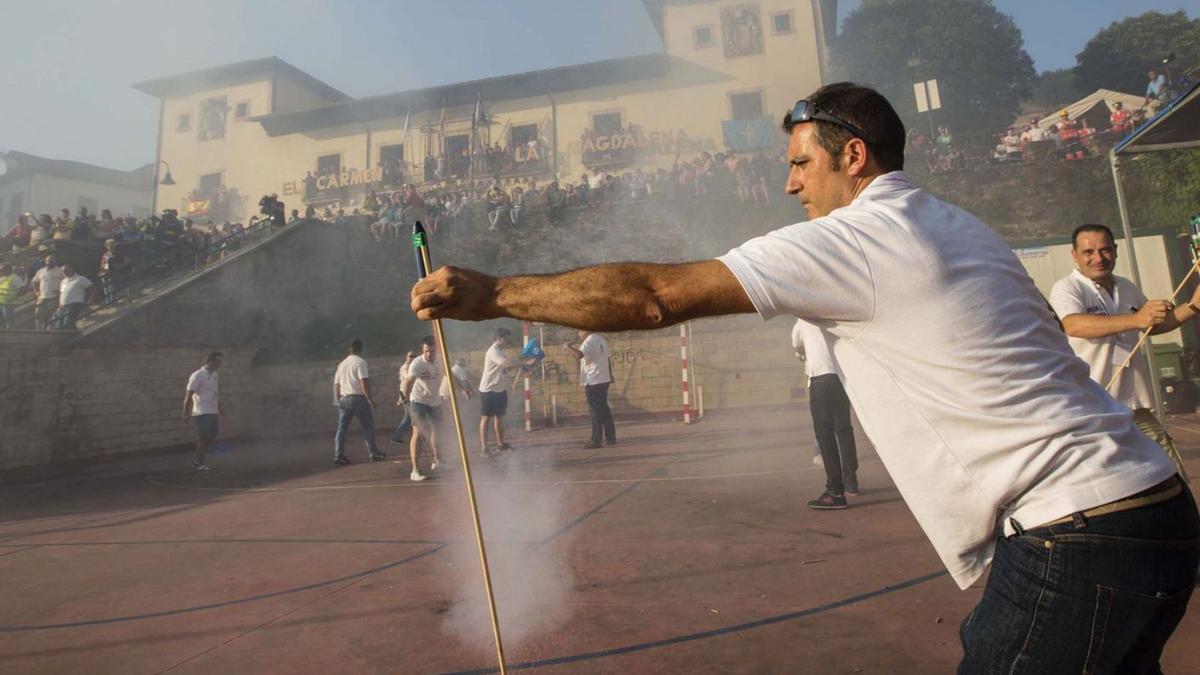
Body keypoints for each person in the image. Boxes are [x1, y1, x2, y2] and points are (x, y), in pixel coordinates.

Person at [410, 82, 1198, 672]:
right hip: (1154, 504)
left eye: (800, 163)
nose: (790, 185)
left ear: (853, 156)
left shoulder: (858, 236)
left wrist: (496, 294)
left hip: (1076, 530)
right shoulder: (957, 223)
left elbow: (653, 298)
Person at [1048, 224, 1193, 482]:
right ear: (1074, 255)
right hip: (1093, 409)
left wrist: (1193, 305)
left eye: (1105, 250)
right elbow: (1073, 325)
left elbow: (1154, 326)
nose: (1098, 258)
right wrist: (1137, 318)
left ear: (1115, 251)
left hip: (1136, 406)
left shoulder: (1125, 286)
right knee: (1110, 483)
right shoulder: (1067, 288)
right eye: (1088, 252)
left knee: (1172, 473)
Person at [792, 319, 859, 509]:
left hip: (820, 378)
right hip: (841, 378)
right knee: (844, 430)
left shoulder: (802, 321)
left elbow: (797, 348)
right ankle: (851, 483)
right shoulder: (834, 316)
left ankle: (835, 491)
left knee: (825, 435)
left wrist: (802, 353)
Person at [332, 339, 387, 465]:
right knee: (367, 426)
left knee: (342, 429)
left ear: (349, 350)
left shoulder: (341, 364)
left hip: (344, 398)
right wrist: (370, 399)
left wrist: (337, 400)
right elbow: (364, 381)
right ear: (360, 349)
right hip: (358, 398)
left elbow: (336, 384)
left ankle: (339, 455)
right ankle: (373, 453)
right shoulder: (361, 362)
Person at [402, 336, 449, 481]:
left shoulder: (441, 360)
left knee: (438, 429)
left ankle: (438, 461)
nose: (429, 354)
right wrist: (404, 397)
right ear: (423, 350)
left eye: (432, 351)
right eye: (426, 351)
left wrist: (464, 389)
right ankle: (415, 470)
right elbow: (408, 381)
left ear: (436, 350)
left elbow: (451, 375)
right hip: (418, 400)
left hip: (434, 400)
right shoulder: (417, 363)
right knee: (419, 433)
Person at [564, 329, 615, 449]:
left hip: (593, 381)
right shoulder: (601, 339)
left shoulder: (589, 341)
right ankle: (611, 437)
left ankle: (596, 440)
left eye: (579, 331)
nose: (578, 334)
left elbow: (579, 355)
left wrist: (567, 347)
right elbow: (607, 359)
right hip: (603, 379)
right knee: (604, 409)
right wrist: (610, 375)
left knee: (595, 412)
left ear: (585, 331)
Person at [478, 328, 518, 456]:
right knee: (486, 418)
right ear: (499, 338)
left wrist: (521, 366)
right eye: (506, 338)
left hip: (499, 389)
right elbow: (506, 364)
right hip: (488, 389)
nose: (507, 341)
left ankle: (501, 444)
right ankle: (484, 448)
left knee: (499, 417)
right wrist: (523, 363)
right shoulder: (493, 351)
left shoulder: (501, 350)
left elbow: (503, 369)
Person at [182, 352, 222, 472]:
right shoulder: (197, 375)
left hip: (213, 410)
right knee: (203, 437)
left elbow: (214, 393)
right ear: (210, 361)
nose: (220, 364)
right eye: (217, 362)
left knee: (213, 435)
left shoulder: (215, 375)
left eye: (220, 362)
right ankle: (198, 462)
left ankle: (199, 459)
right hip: (202, 411)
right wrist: (185, 413)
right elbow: (188, 395)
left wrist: (220, 406)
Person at [50, 264, 94, 330]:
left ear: (71, 269)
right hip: (63, 305)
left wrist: (90, 298)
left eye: (66, 270)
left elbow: (91, 287)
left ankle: (71, 335)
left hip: (74, 303)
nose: (64, 272)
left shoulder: (80, 278)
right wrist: (59, 305)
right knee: (58, 324)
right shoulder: (63, 281)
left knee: (67, 322)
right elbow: (62, 293)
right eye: (63, 271)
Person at [392, 350, 419, 446]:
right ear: (406, 357)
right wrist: (403, 397)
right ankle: (396, 436)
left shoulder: (413, 367)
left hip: (410, 394)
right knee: (409, 417)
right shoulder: (405, 367)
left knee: (409, 417)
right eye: (410, 356)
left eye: (414, 356)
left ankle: (397, 436)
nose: (412, 358)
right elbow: (407, 379)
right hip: (405, 395)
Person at [32, 255, 64, 331]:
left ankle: (50, 330)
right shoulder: (41, 271)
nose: (49, 262)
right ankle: (38, 331)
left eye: (51, 260)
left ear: (54, 261)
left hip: (53, 297)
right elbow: (34, 282)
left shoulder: (60, 271)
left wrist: (61, 291)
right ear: (45, 262)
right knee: (38, 314)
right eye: (48, 260)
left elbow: (66, 281)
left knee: (52, 315)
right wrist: (37, 292)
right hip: (41, 297)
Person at [0, 264, 28, 328]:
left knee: (8, 320)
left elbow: (22, 288)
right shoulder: (2, 278)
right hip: (1, 303)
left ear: (8, 270)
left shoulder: (15, 278)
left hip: (8, 303)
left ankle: (10, 334)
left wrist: (17, 296)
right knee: (1, 321)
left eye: (2, 270)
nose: (1, 271)